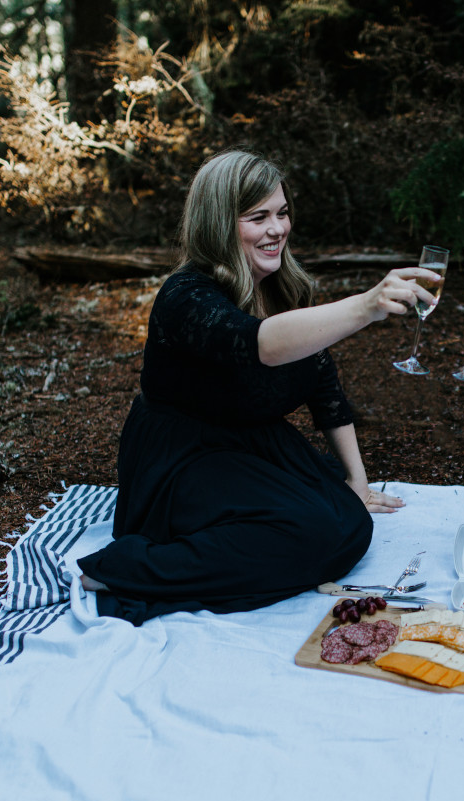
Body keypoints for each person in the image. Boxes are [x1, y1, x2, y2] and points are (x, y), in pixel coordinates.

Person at [76, 149, 434, 624]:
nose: (277, 229)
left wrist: (358, 480)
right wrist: (366, 306)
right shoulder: (186, 296)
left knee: (350, 522)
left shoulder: (283, 286)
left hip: (249, 442)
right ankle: (126, 569)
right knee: (314, 531)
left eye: (282, 213)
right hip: (184, 457)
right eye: (258, 217)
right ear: (219, 223)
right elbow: (259, 344)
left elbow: (323, 385)